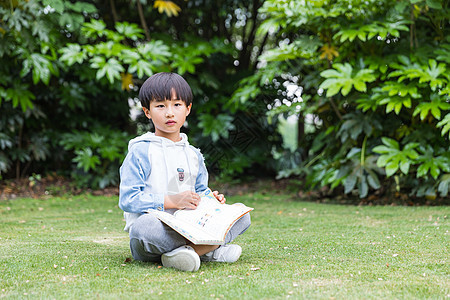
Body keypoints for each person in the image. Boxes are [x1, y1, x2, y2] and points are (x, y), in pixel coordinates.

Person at [119, 72, 251, 272]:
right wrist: (171, 201)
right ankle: (207, 250)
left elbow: (199, 192)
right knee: (143, 227)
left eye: (177, 105)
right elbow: (128, 199)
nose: (169, 113)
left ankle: (184, 254)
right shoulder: (141, 150)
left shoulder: (193, 155)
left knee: (242, 215)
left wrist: (211, 200)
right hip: (155, 232)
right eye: (160, 106)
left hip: (190, 225)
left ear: (188, 108)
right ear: (147, 112)